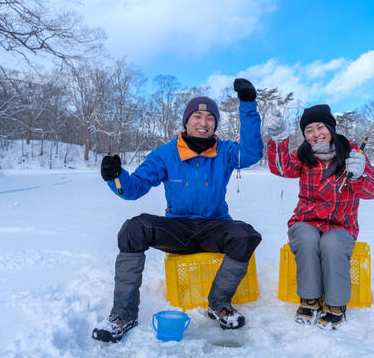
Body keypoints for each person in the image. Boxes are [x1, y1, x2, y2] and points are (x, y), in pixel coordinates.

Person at [92, 79, 263, 343]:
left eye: (210, 118)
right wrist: (115, 176)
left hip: (215, 226)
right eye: (197, 116)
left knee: (245, 235)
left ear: (216, 124)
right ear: (186, 121)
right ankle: (123, 314)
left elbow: (251, 153)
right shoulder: (165, 154)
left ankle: (219, 304)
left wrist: (248, 104)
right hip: (178, 229)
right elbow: (134, 188)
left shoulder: (226, 151)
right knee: (133, 228)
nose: (203, 123)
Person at [265, 104, 374, 329]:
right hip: (305, 221)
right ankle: (309, 300)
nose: (316, 134)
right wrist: (278, 140)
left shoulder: (353, 153)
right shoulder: (304, 155)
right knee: (307, 240)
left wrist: (358, 176)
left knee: (331, 243)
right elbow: (281, 168)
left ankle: (336, 304)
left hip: (341, 225)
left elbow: (372, 191)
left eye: (320, 127)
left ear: (331, 128)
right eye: (309, 130)